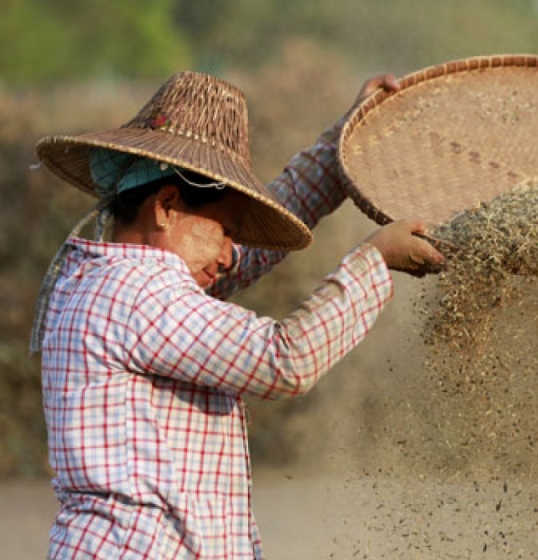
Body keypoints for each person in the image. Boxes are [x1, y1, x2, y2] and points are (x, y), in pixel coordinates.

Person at [30, 70, 444, 559]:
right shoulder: (136, 292)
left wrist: (341, 142)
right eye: (225, 230)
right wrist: (373, 262)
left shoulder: (108, 279)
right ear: (166, 206)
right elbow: (286, 359)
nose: (230, 255)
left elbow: (247, 253)